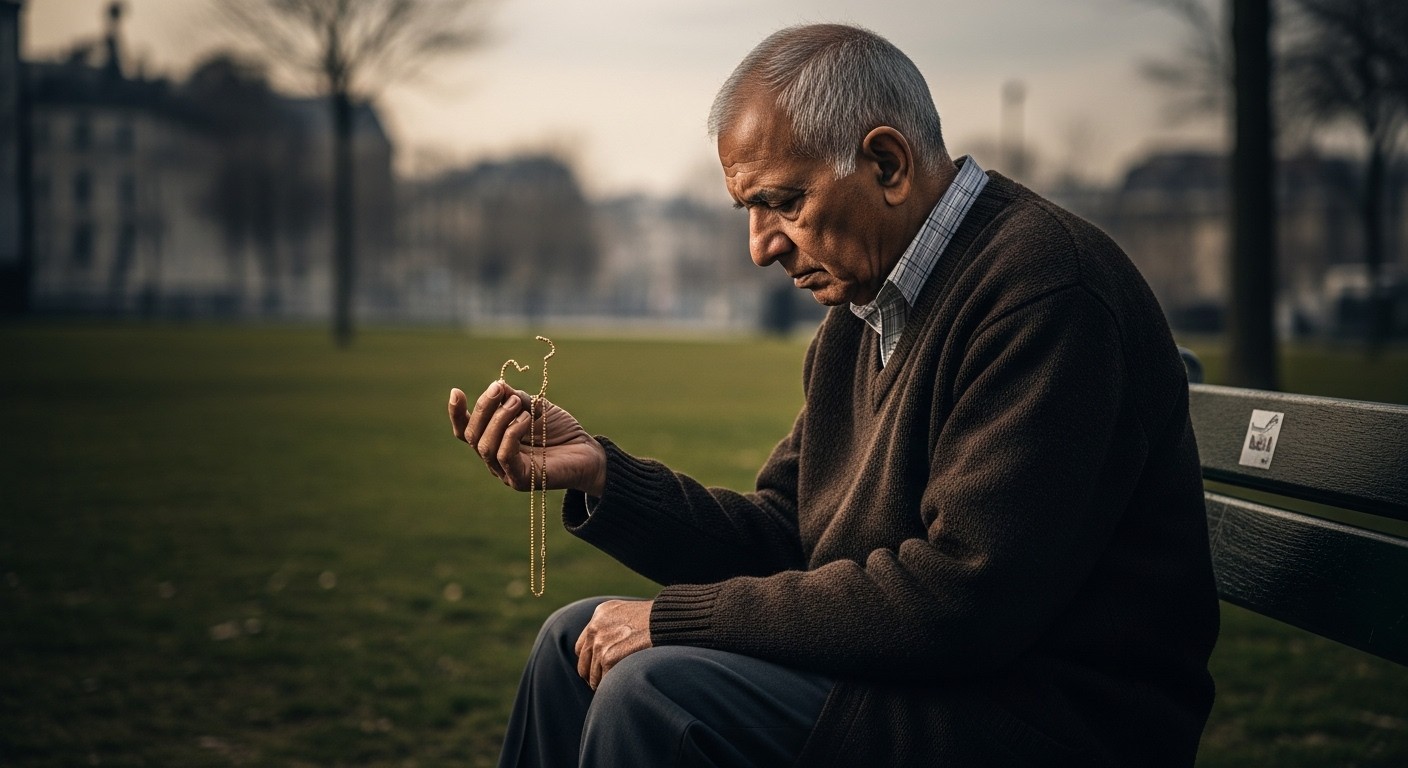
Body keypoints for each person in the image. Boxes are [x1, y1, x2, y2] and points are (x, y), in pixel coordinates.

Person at [448, 22, 1219, 768]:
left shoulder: (1046, 290)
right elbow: (789, 539)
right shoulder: (865, 306)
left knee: (655, 693)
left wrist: (676, 620)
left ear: (886, 164)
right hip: (922, 684)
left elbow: (964, 597)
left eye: (783, 203)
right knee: (571, 642)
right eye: (748, 211)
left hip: (1037, 719)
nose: (760, 247)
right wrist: (605, 475)